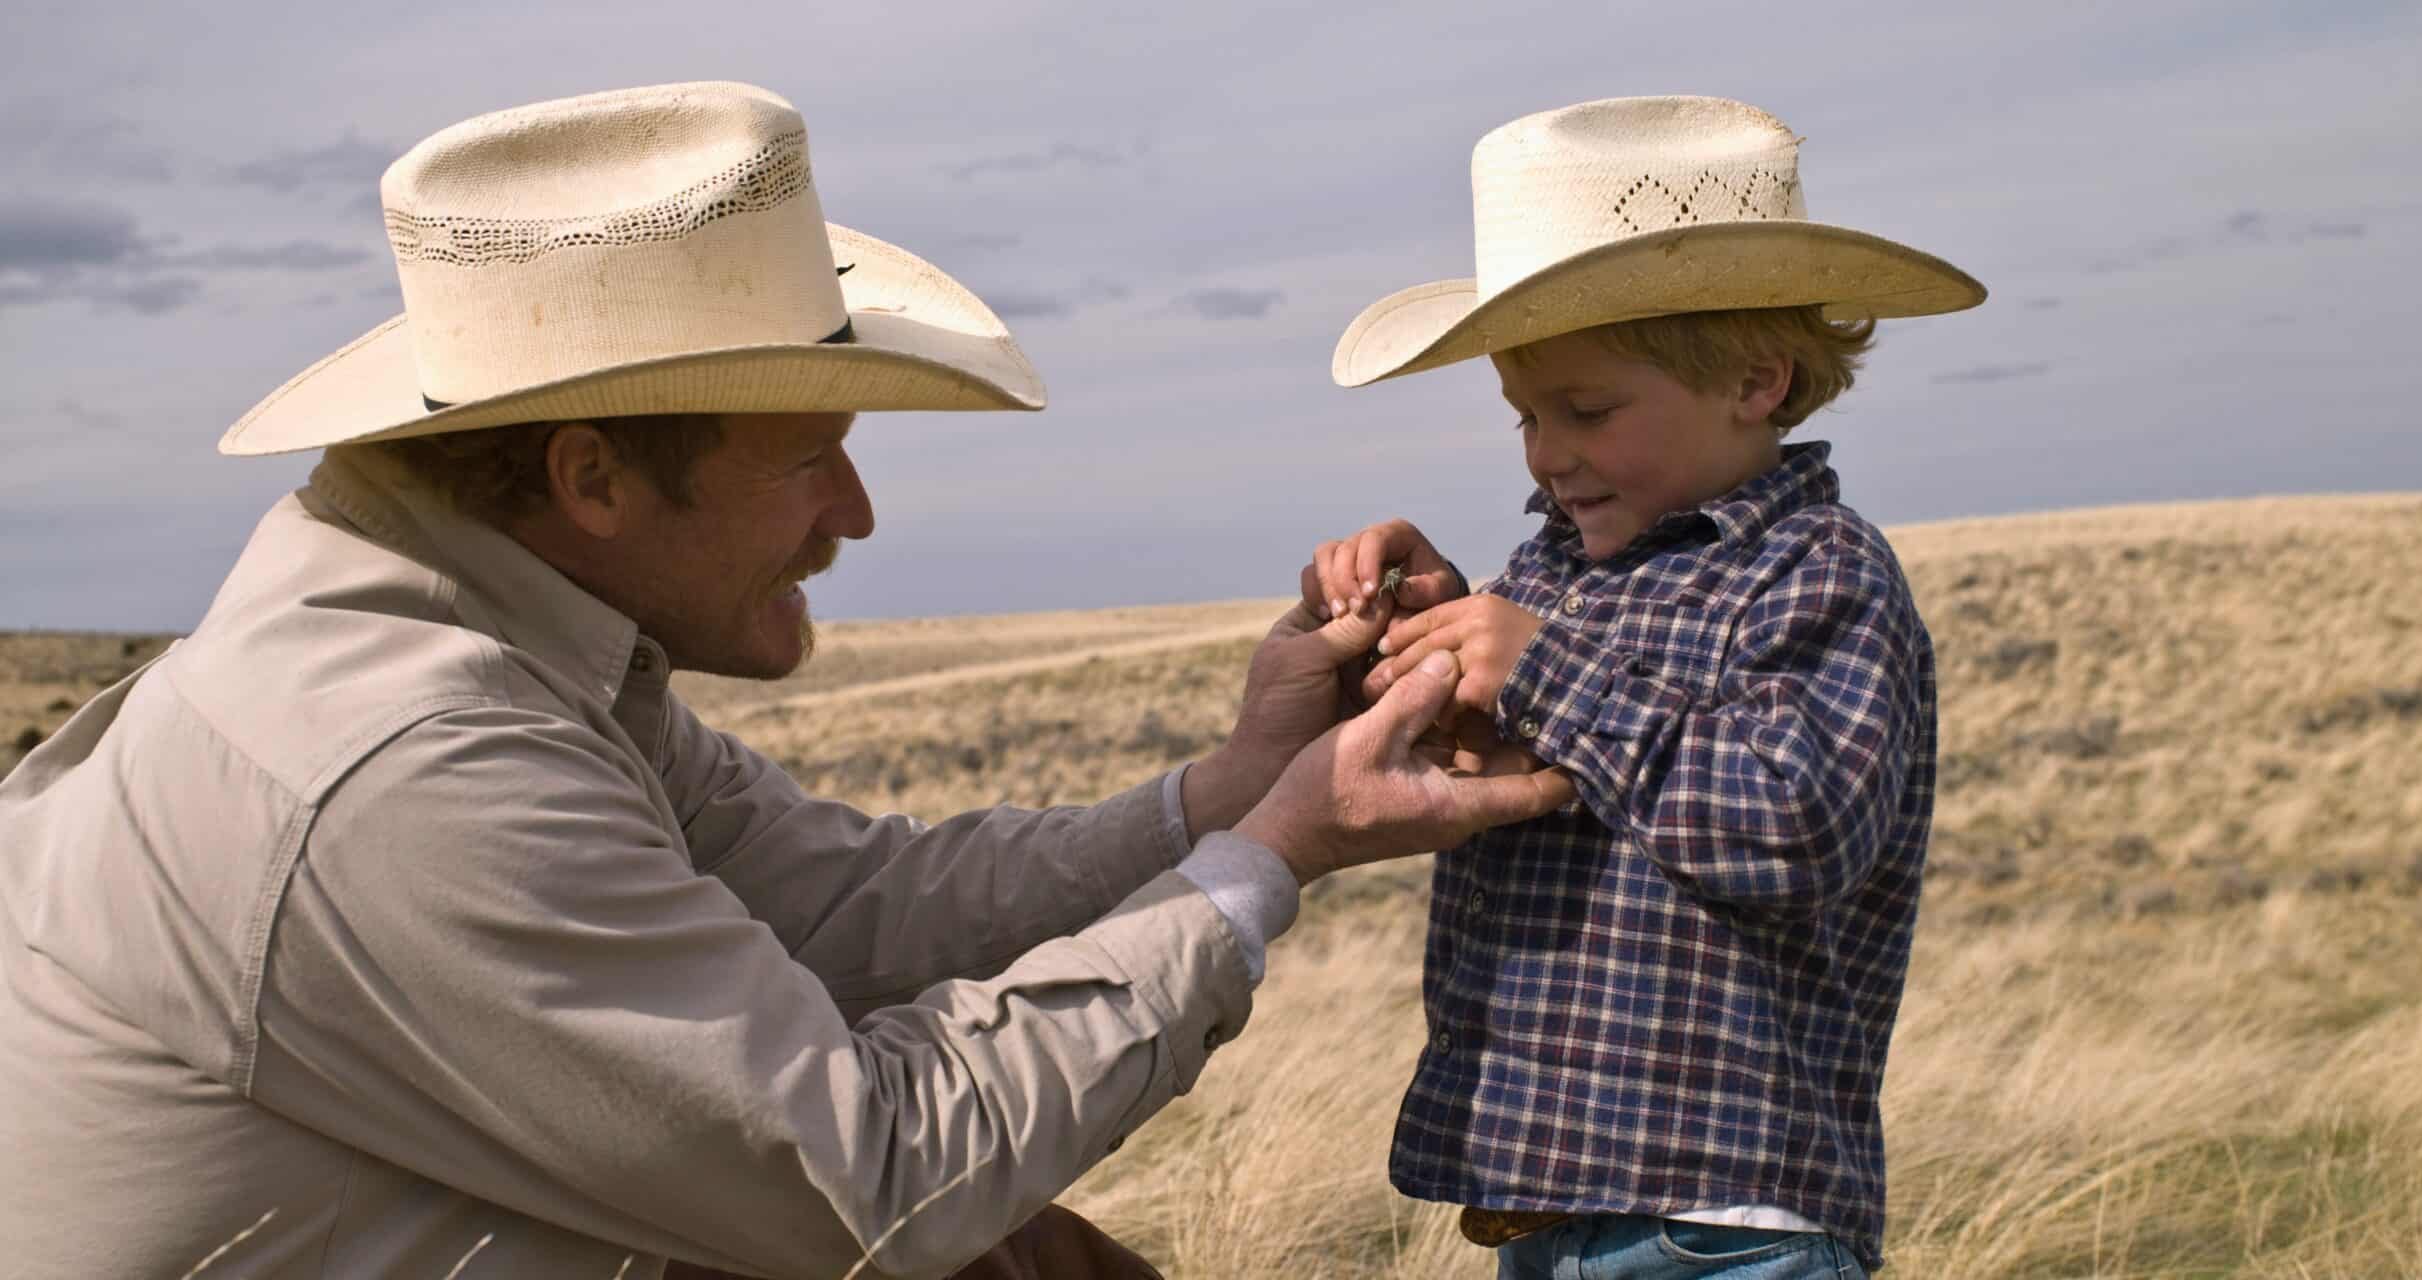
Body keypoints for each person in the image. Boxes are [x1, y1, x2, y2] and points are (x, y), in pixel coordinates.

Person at [0, 82, 1571, 1279]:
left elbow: (842, 905)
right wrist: (1269, 858)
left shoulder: (496, 648)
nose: (857, 514)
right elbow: (870, 1184)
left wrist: (1227, 790)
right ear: (594, 476)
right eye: (811, 455)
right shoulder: (412, 761)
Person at [1300, 96, 1985, 1278]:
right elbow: (1518, 769)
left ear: (1757, 380)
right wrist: (1421, 643)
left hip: (1723, 1229)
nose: (1544, 452)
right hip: (1552, 1208)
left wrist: (1541, 670)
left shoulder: (1818, 568)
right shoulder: (1548, 574)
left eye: (1587, 409)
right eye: (1524, 414)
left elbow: (1794, 828)